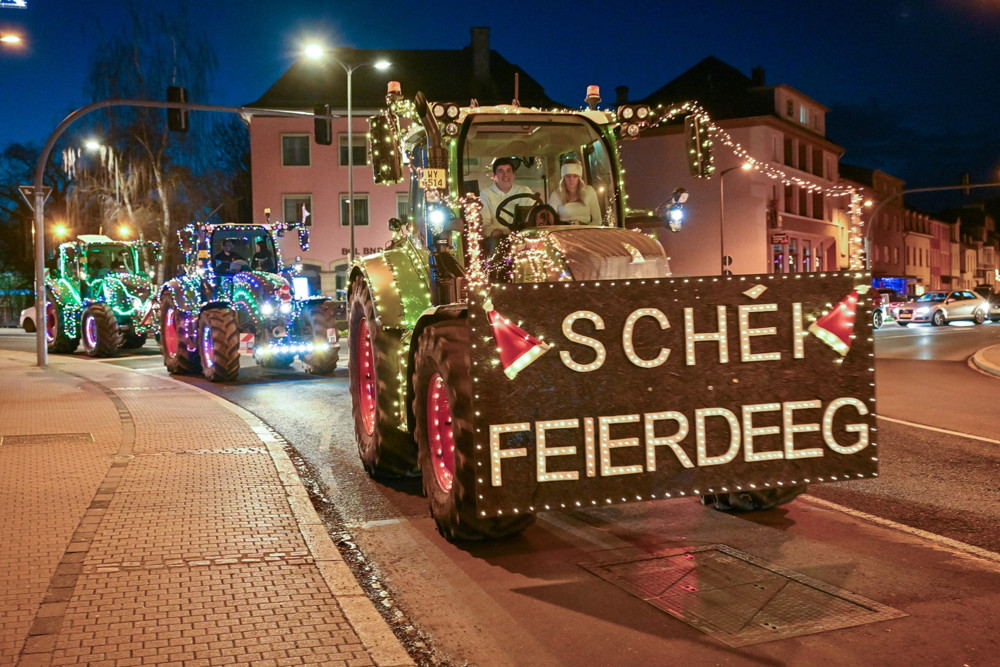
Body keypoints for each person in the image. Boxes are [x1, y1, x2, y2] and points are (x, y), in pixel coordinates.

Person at [479, 157, 535, 239]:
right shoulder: (486, 194)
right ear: (494, 176)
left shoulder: (525, 191)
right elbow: (484, 223)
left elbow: (533, 217)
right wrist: (493, 232)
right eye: (501, 171)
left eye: (509, 171)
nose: (506, 175)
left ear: (513, 174)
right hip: (498, 238)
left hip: (523, 236)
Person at [548, 160, 601, 225]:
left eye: (575, 176)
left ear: (579, 178)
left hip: (586, 231)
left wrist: (586, 231)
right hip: (563, 231)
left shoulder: (589, 191)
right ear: (563, 178)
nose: (571, 180)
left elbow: (597, 220)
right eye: (568, 176)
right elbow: (549, 220)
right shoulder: (556, 195)